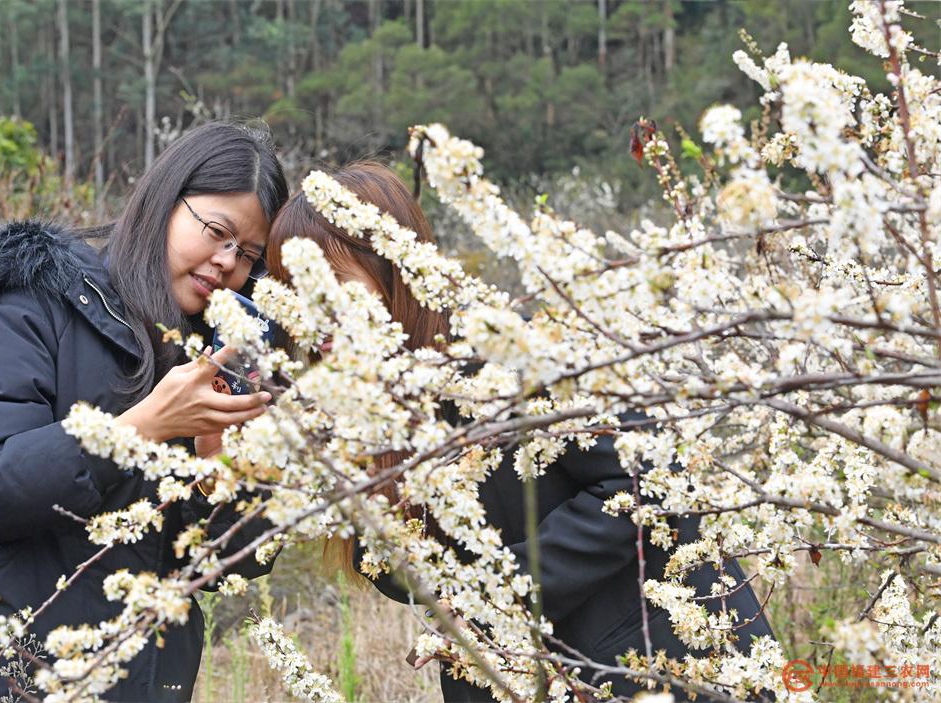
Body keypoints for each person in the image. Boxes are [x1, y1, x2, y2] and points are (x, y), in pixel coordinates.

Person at [264, 162, 774, 701]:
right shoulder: (357, 409)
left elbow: (644, 478)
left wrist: (501, 593)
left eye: (330, 288)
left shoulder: (510, 352)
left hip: (655, 657)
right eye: (293, 298)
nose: (311, 320)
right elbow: (403, 574)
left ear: (393, 270)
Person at [0, 122, 288, 703]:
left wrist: (221, 476)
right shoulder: (33, 304)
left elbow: (235, 564)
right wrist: (143, 425)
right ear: (162, 204)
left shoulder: (209, 359)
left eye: (248, 253)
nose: (228, 262)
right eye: (217, 232)